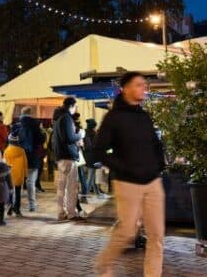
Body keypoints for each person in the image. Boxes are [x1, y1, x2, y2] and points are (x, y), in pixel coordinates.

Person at [94, 72, 166, 277]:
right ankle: (104, 262)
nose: (144, 88)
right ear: (125, 89)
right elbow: (99, 151)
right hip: (127, 183)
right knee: (127, 232)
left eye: (144, 85)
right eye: (138, 84)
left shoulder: (144, 116)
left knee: (157, 236)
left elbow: (155, 143)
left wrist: (159, 164)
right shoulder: (113, 117)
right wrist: (124, 168)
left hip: (153, 182)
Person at [52, 97, 84, 221]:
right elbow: (69, 138)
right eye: (75, 107)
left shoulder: (58, 118)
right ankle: (72, 213)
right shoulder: (66, 118)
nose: (76, 109)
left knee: (62, 187)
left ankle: (61, 212)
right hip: (68, 156)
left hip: (61, 156)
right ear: (71, 106)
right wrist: (80, 134)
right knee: (71, 186)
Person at [9, 106, 45, 213]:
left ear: (22, 113)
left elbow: (11, 141)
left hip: (18, 157)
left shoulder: (16, 126)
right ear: (31, 113)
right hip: (33, 157)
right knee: (30, 183)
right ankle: (32, 205)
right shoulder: (36, 125)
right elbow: (41, 140)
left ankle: (16, 205)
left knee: (17, 182)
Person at [3, 130, 28, 217]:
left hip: (9, 175)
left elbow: (4, 164)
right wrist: (25, 175)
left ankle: (10, 207)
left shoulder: (6, 151)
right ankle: (17, 209)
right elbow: (25, 164)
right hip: (19, 175)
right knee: (18, 193)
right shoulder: (22, 151)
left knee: (10, 192)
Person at [83, 118, 104, 198]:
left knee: (92, 175)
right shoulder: (92, 133)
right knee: (91, 176)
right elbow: (91, 146)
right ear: (93, 126)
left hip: (88, 157)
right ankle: (86, 194)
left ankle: (97, 192)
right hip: (92, 157)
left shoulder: (86, 132)